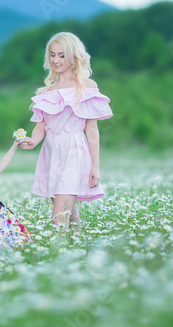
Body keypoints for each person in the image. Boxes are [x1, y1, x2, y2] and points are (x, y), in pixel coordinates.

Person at [20, 32, 113, 232]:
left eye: (62, 55)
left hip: (74, 153)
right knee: (70, 215)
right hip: (52, 154)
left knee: (58, 220)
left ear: (74, 56)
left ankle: (57, 256)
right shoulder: (47, 92)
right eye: (52, 55)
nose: (56, 60)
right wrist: (32, 141)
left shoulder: (87, 86)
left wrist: (95, 166)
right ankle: (78, 250)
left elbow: (92, 131)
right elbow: (40, 127)